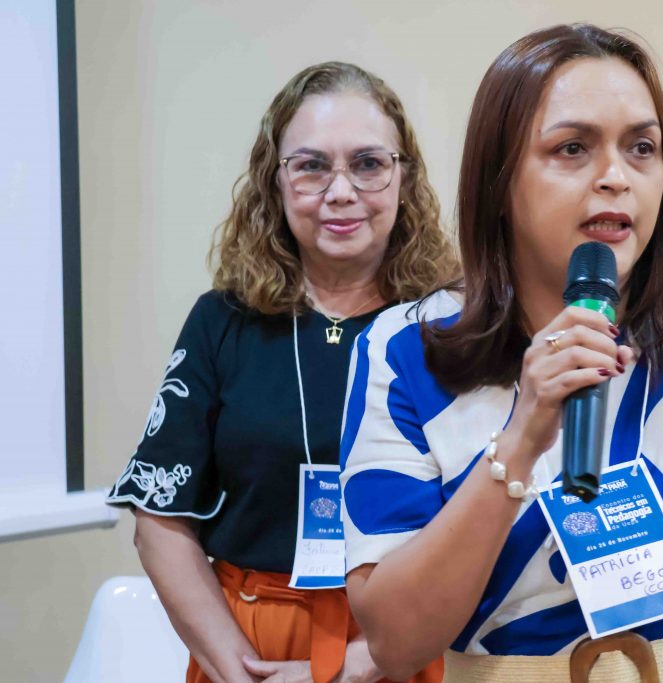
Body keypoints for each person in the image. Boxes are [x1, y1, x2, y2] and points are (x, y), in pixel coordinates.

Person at [338, 25, 663, 682]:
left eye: (642, 148)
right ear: (497, 181)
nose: (616, 177)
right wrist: (520, 440)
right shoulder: (405, 352)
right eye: (573, 148)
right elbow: (396, 643)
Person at [106, 61, 457, 683]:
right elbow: (159, 522)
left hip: (403, 642)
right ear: (276, 181)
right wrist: (238, 670)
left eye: (368, 163)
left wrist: (355, 667)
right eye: (312, 166)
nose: (340, 191)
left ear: (403, 177)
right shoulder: (221, 321)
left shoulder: (453, 327)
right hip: (249, 647)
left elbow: (484, 521)